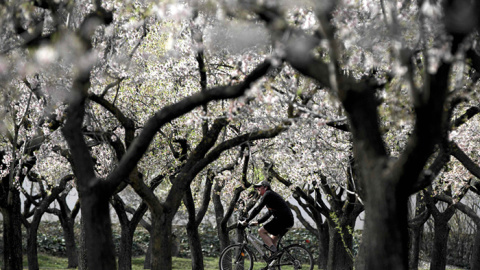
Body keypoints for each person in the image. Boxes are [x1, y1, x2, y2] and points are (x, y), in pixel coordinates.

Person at [240, 180, 294, 254]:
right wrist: (258, 221)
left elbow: (257, 208)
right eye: (257, 187)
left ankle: (275, 253)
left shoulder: (268, 194)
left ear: (265, 187)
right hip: (287, 220)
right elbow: (269, 213)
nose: (257, 189)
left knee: (261, 231)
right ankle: (274, 262)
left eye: (259, 187)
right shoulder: (271, 196)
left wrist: (247, 220)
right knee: (271, 241)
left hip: (282, 219)